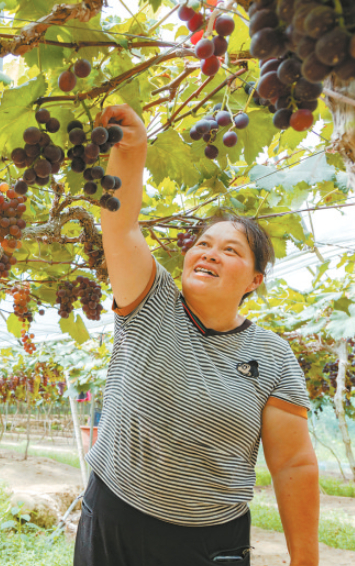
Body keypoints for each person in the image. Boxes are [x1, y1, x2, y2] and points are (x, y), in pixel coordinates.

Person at [74, 105, 319, 566]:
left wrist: (305, 560)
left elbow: (293, 464)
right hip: (113, 521)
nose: (209, 253)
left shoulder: (272, 355)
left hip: (208, 545)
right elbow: (121, 225)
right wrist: (132, 150)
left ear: (254, 281)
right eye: (203, 244)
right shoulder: (151, 303)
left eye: (230, 250)